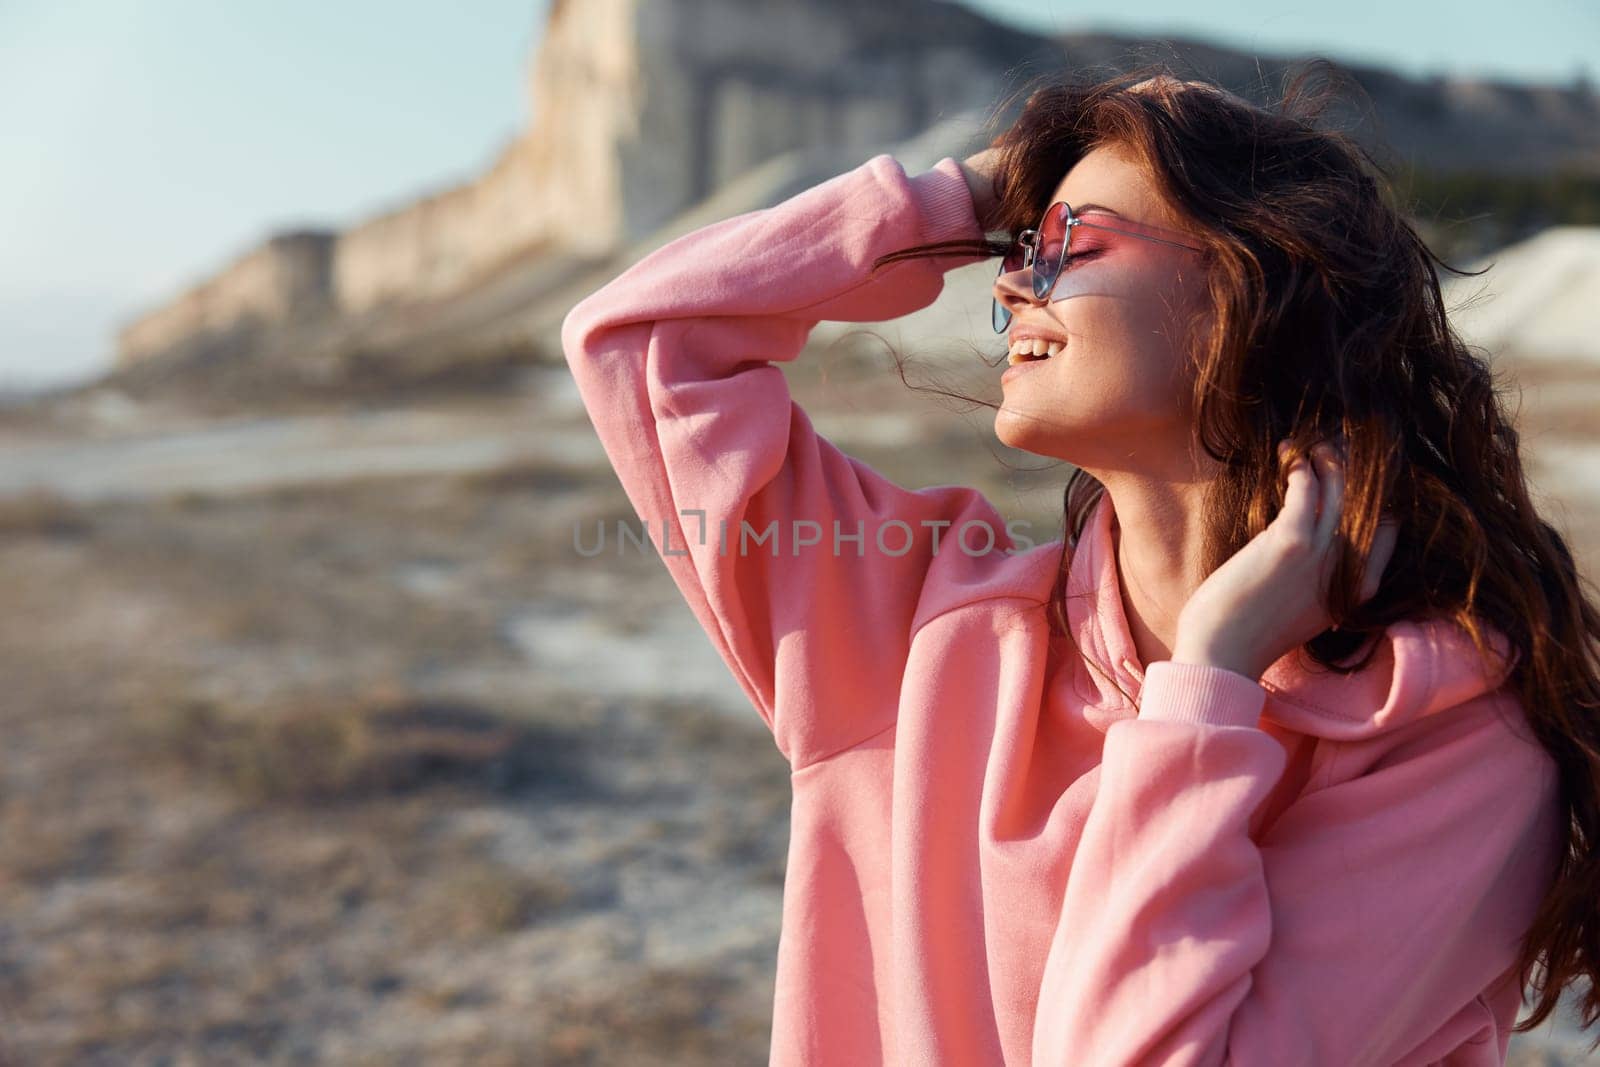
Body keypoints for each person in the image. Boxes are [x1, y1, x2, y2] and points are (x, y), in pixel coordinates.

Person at [560, 63, 1600, 1065]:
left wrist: (1208, 684)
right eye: (1017, 244)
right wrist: (965, 193)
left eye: (1068, 240)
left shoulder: (1453, 741)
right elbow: (639, 339)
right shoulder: (913, 634)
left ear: (1253, 284)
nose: (1014, 281)